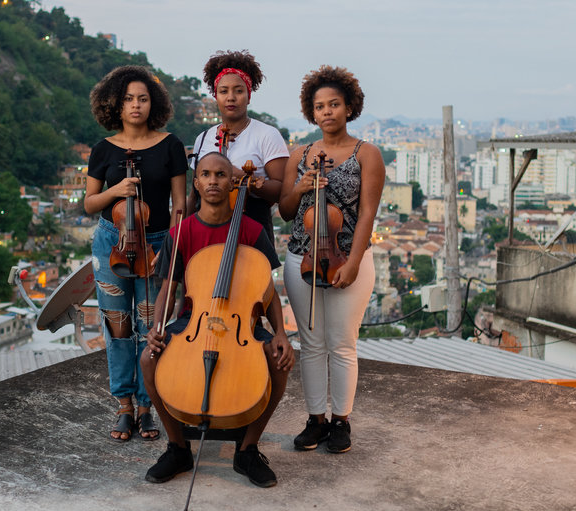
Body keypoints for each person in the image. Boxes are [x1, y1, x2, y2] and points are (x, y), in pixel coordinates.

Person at [140, 152, 294, 488]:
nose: (213, 181)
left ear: (232, 183)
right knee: (148, 359)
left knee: (279, 361)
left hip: (243, 325)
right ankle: (177, 447)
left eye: (221, 175)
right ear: (196, 182)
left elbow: (266, 291)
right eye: (206, 174)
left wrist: (280, 332)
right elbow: (169, 286)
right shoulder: (180, 232)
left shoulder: (252, 231)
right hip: (191, 323)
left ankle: (248, 450)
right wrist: (157, 327)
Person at [278, 66, 384, 454]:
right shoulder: (300, 155)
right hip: (301, 258)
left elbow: (367, 213)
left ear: (348, 106)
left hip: (347, 257)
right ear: (311, 111)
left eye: (334, 104)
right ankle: (315, 419)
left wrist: (353, 261)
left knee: (342, 343)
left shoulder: (366, 154)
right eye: (319, 106)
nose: (327, 112)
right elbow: (286, 211)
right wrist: (300, 185)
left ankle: (341, 421)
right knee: (311, 342)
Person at [84, 66, 188, 442]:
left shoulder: (171, 145)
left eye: (143, 98)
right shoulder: (103, 148)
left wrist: (171, 247)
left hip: (159, 241)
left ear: (153, 103)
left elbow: (180, 205)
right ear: (116, 103)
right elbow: (89, 203)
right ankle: (124, 406)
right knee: (117, 326)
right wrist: (116, 191)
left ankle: (148, 408)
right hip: (112, 240)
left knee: (152, 326)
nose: (135, 105)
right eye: (128, 99)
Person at [191, 50, 289, 240]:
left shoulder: (267, 134)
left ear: (249, 96)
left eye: (238, 90)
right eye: (223, 91)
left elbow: (282, 192)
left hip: (252, 230)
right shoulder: (203, 138)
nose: (231, 97)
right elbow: (194, 195)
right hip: (206, 232)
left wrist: (244, 179)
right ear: (215, 97)